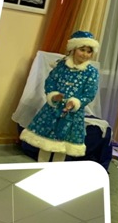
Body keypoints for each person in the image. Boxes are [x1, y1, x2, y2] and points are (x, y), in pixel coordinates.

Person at [19, 30, 100, 162]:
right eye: (82, 50)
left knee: (62, 146)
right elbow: (50, 82)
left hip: (72, 114)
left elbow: (90, 93)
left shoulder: (91, 72)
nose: (85, 54)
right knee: (45, 143)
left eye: (89, 51)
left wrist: (75, 102)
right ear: (73, 49)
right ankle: (41, 166)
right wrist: (54, 95)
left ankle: (55, 170)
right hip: (53, 110)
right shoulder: (62, 66)